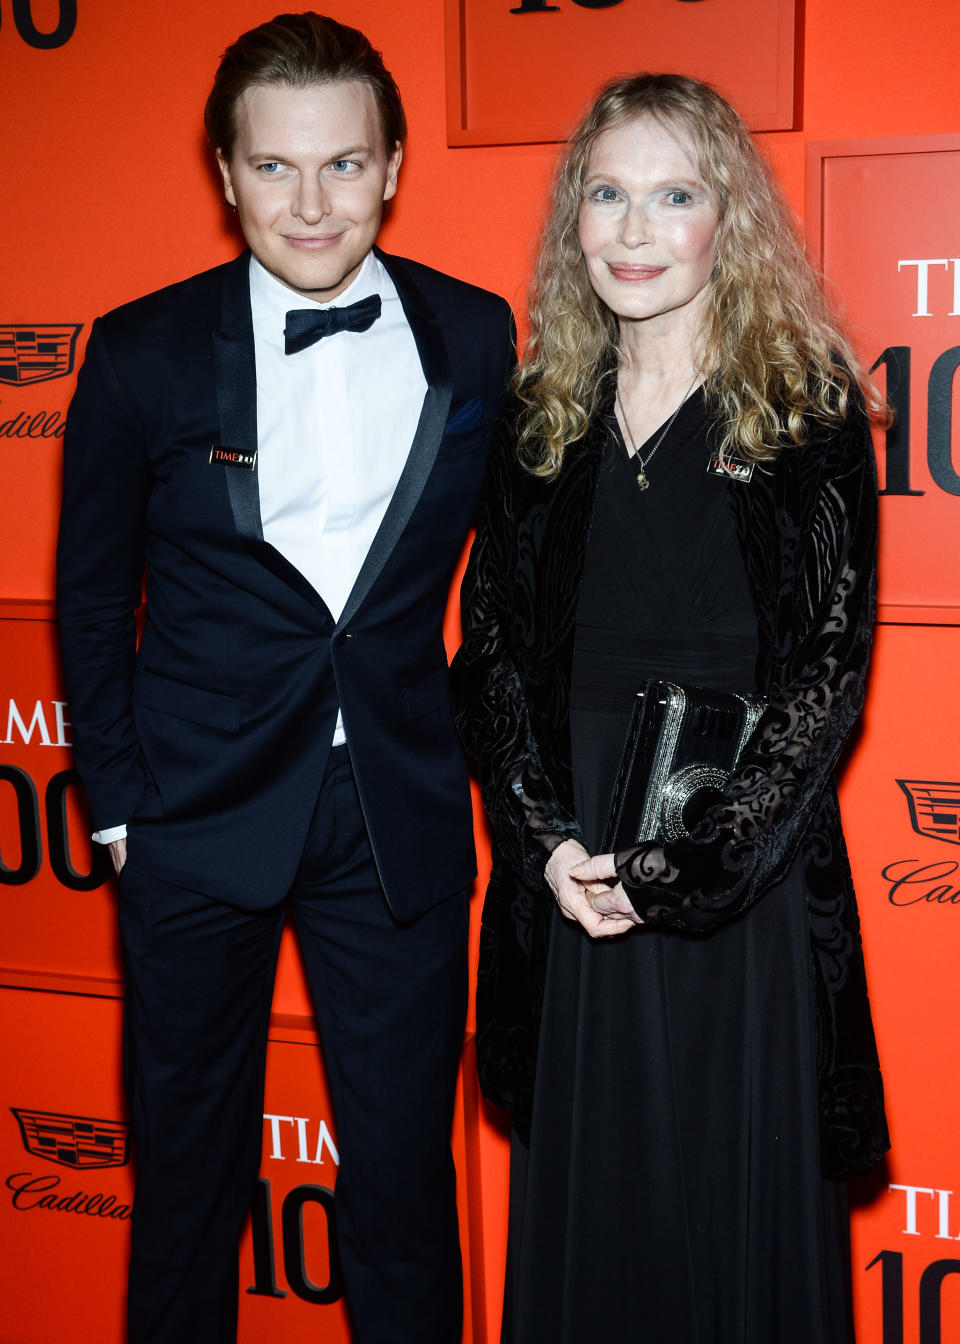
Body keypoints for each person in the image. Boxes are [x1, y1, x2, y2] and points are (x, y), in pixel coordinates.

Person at [56, 11, 514, 1342]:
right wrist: (126, 811)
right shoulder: (141, 352)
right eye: (274, 168)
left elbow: (524, 569)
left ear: (395, 165)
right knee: (190, 1188)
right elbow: (92, 597)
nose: (311, 205)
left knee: (400, 1189)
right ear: (223, 173)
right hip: (194, 822)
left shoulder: (474, 337)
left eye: (344, 165)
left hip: (399, 820)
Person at [451, 73, 889, 1343]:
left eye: (675, 196)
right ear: (572, 216)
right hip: (578, 868)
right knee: (602, 1210)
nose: (635, 232)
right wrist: (550, 849)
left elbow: (827, 669)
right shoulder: (540, 415)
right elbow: (487, 654)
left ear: (727, 221)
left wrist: (684, 868)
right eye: (608, 193)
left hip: (733, 879)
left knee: (734, 1198)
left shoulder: (801, 404)